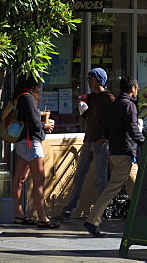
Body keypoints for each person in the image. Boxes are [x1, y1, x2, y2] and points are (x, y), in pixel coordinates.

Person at [52, 67, 114, 225]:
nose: (88, 81)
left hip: (100, 142)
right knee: (79, 177)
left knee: (101, 180)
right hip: (88, 141)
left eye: (91, 79)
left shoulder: (108, 98)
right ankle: (68, 210)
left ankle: (100, 213)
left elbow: (113, 121)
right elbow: (91, 119)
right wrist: (83, 112)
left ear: (99, 80)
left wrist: (104, 138)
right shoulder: (92, 98)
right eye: (88, 78)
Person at [83, 76, 144, 237]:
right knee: (112, 188)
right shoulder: (128, 105)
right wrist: (144, 142)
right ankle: (92, 220)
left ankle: (143, 221)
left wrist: (105, 138)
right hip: (125, 153)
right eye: (137, 89)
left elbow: (107, 126)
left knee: (136, 188)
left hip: (116, 152)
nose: (137, 91)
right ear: (132, 89)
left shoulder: (116, 103)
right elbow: (133, 129)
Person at [10, 77, 55, 227]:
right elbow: (35, 124)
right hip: (31, 142)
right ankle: (43, 218)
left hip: (22, 141)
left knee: (19, 179)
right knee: (39, 181)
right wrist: (46, 125)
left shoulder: (19, 97)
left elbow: (28, 118)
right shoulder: (28, 98)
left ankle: (19, 214)